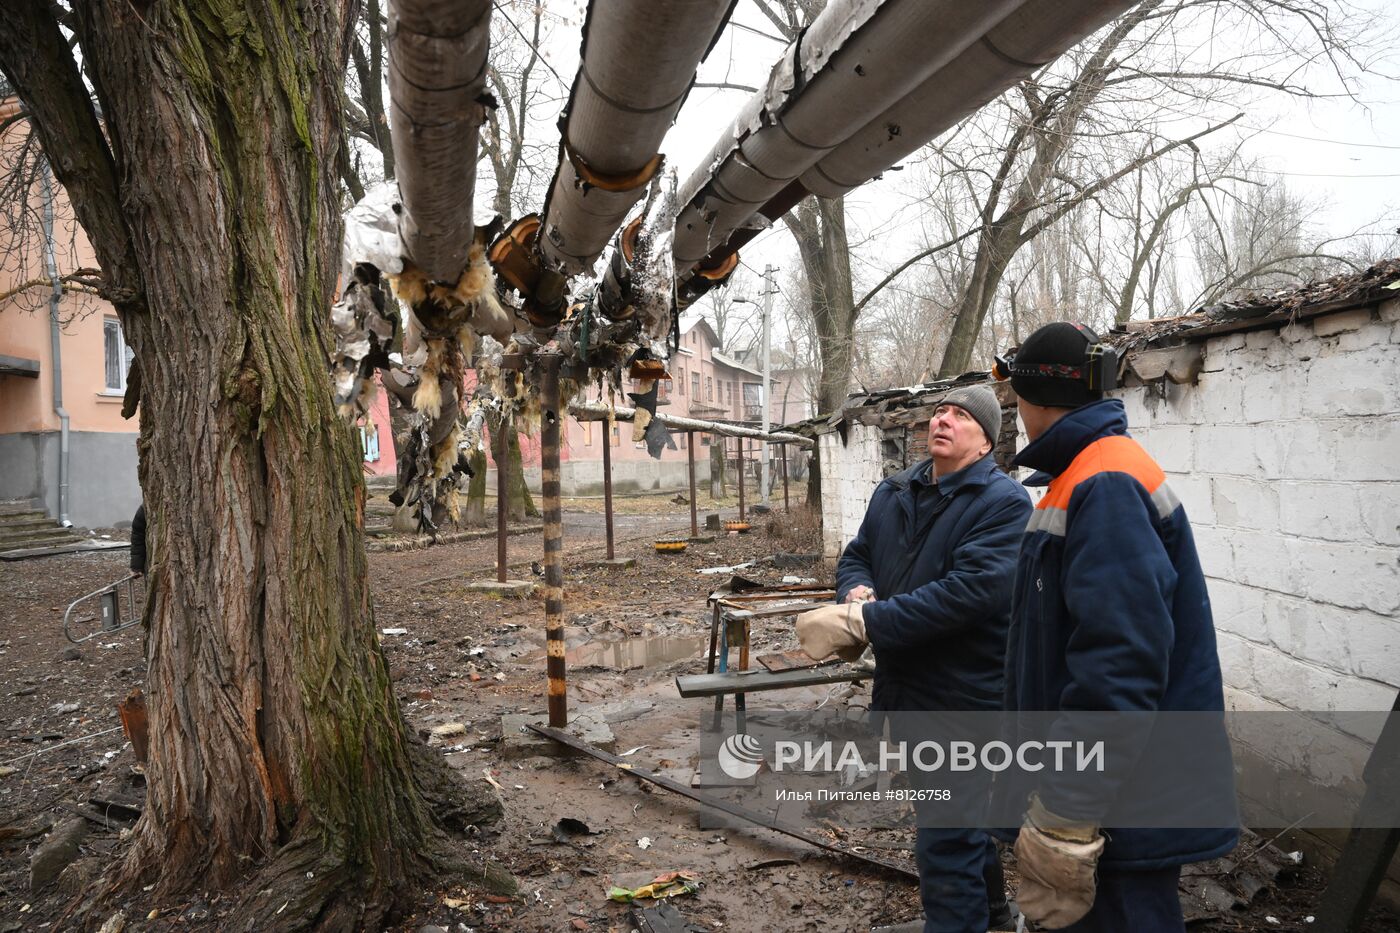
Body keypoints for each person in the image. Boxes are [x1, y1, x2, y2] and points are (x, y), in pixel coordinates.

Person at [996, 322, 1238, 932]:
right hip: (1116, 797)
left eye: (1014, 396)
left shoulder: (1102, 484)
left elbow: (1119, 664)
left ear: (1034, 396)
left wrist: (1066, 813)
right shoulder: (1090, 473)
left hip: (1116, 807)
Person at [797, 385, 1032, 933]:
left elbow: (967, 594)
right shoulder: (896, 490)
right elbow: (858, 554)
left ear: (986, 443)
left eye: (962, 416)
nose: (943, 420)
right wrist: (856, 592)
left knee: (945, 838)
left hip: (964, 699)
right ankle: (996, 915)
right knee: (955, 821)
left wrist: (867, 623)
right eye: (941, 411)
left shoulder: (1004, 505)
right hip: (907, 690)